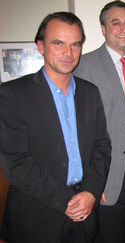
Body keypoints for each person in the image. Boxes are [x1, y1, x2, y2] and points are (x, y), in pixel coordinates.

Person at [0, 12, 111, 242]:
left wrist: (91, 192)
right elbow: (16, 163)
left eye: (75, 45)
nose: (68, 53)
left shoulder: (90, 93)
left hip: (86, 214)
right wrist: (68, 201)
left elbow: (102, 147)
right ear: (41, 46)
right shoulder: (12, 94)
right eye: (58, 43)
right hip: (36, 218)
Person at [73, 1, 125, 242]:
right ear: (103, 29)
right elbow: (81, 129)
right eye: (115, 22)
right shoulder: (84, 66)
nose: (123, 28)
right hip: (106, 168)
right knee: (110, 234)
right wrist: (91, 182)